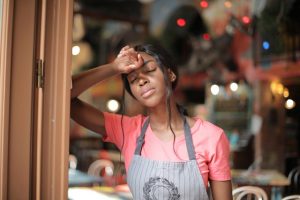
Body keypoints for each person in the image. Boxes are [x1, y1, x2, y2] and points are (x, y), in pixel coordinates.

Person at [71, 44, 233, 200]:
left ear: (170, 74)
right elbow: (65, 96)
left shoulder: (211, 136)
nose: (141, 81)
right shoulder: (126, 130)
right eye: (133, 80)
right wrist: (113, 68)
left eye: (149, 70)